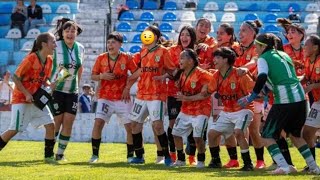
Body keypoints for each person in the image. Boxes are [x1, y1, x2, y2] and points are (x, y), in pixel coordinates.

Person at [238, 33, 320, 174]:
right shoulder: (283, 54)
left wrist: (252, 96)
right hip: (300, 96)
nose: (255, 49)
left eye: (257, 46)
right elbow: (283, 77)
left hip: (285, 98)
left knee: (265, 134)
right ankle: (314, 167)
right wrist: (265, 90)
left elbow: (263, 76)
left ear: (263, 46)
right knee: (295, 135)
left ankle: (284, 166)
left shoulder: (263, 58)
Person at [0, 32, 57, 163]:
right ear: (44, 44)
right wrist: (26, 93)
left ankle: (48, 157)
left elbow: (44, 79)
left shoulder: (49, 60)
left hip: (36, 101)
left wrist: (50, 85)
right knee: (14, 129)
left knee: (50, 125)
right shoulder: (31, 58)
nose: (55, 45)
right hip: (21, 99)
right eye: (53, 42)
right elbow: (15, 77)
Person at [128, 25, 175, 166]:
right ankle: (139, 156)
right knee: (134, 125)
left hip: (156, 94)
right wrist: (128, 81)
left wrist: (164, 76)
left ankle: (167, 157)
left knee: (157, 125)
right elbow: (141, 71)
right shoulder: (142, 51)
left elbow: (172, 71)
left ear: (155, 36)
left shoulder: (164, 51)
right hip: (141, 93)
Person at [88, 32, 138, 163]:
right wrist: (101, 77)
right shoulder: (101, 58)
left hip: (122, 98)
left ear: (120, 44)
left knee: (130, 127)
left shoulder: (127, 58)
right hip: (105, 97)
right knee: (98, 123)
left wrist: (127, 88)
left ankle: (130, 156)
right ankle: (94, 155)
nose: (110, 45)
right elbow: (92, 76)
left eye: (113, 42)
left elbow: (137, 72)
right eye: (108, 42)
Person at [206, 47, 254, 171]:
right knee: (211, 134)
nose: (214, 60)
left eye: (217, 57)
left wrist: (248, 98)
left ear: (226, 60)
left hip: (243, 110)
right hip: (227, 111)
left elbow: (254, 92)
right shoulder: (215, 76)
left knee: (238, 132)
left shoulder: (239, 74)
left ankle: (248, 163)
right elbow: (208, 91)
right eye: (214, 57)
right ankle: (216, 161)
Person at [50, 18, 84, 161]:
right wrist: (48, 84)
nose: (70, 33)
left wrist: (79, 86)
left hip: (72, 91)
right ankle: (48, 151)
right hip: (56, 90)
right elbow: (47, 65)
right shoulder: (55, 46)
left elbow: (80, 68)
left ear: (76, 33)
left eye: (73, 31)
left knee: (68, 121)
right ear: (62, 33)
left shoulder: (80, 48)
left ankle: (60, 154)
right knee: (57, 122)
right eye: (67, 31)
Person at [171, 49, 212, 168]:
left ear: (190, 60)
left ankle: (201, 161)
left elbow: (204, 95)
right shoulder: (182, 73)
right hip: (186, 110)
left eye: (182, 58)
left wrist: (185, 98)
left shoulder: (203, 74)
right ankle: (181, 159)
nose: (180, 61)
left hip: (201, 110)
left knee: (197, 137)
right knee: (175, 133)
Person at [165, 26, 197, 163]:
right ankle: (173, 154)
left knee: (191, 126)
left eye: (187, 35)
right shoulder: (171, 51)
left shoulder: (196, 52)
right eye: (182, 34)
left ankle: (191, 156)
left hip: (191, 95)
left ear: (192, 37)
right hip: (173, 93)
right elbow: (172, 72)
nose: (184, 37)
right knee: (172, 124)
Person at [302, 34, 320, 171]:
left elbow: (313, 83)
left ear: (315, 47)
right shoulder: (308, 60)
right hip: (317, 102)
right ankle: (312, 165)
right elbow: (306, 77)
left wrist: (313, 86)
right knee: (307, 133)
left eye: (306, 44)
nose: (304, 47)